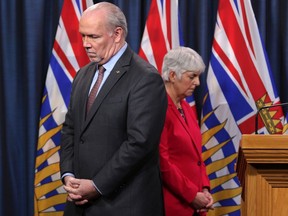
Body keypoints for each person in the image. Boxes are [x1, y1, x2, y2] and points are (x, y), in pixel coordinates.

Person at [59, 2, 167, 216]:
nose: (85, 44)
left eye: (93, 37)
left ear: (117, 34)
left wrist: (97, 185)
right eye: (83, 36)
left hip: (123, 204)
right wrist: (68, 174)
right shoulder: (83, 75)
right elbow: (70, 129)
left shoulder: (145, 78)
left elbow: (139, 143)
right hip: (79, 204)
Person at [159, 47, 214, 216]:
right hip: (173, 204)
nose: (197, 83)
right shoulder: (159, 109)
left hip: (195, 204)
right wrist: (191, 195)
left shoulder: (186, 108)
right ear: (173, 75)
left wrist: (204, 188)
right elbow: (162, 163)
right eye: (192, 76)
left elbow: (197, 155)